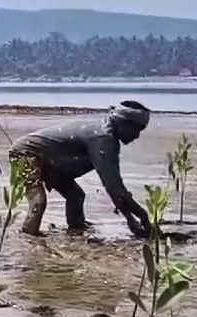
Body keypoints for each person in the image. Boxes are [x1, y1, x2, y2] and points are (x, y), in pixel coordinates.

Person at [8, 101, 154, 238]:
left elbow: (115, 187)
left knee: (75, 195)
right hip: (26, 153)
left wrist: (132, 217)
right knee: (38, 201)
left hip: (51, 160)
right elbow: (113, 186)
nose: (137, 136)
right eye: (136, 129)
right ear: (123, 123)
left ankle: (76, 230)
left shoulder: (107, 136)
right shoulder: (103, 138)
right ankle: (29, 237)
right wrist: (139, 216)